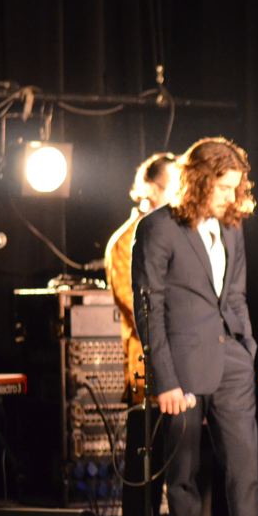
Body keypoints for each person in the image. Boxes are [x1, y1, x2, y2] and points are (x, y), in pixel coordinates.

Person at [132, 137, 258, 516]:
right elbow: (149, 309)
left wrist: (246, 348)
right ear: (200, 180)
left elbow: (235, 294)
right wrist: (165, 381)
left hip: (233, 366)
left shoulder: (232, 228)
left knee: (246, 476)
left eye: (236, 187)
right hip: (183, 370)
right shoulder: (159, 228)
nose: (231, 196)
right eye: (223, 187)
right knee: (183, 479)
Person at [104, 152, 176, 404]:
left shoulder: (180, 236)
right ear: (151, 190)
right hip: (150, 370)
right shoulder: (124, 243)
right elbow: (139, 308)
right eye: (175, 186)